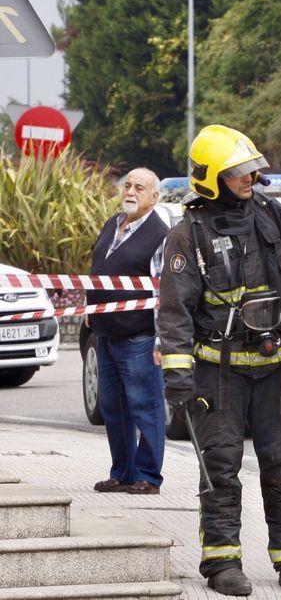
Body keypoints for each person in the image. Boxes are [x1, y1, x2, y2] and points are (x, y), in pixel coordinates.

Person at [158, 125, 281, 596]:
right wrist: (177, 373)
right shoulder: (187, 235)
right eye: (239, 172)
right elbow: (174, 309)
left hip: (275, 367)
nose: (249, 179)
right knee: (220, 467)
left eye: (252, 170)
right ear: (212, 177)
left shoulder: (272, 215)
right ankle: (222, 564)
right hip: (219, 374)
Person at [89, 167, 168, 496]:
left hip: (139, 337)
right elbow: (97, 270)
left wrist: (162, 339)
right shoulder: (112, 224)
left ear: (154, 197)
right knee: (112, 407)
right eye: (127, 185)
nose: (130, 192)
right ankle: (121, 472)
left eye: (139, 187)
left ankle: (148, 476)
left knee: (144, 406)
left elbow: (166, 291)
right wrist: (89, 309)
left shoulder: (160, 235)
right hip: (105, 333)